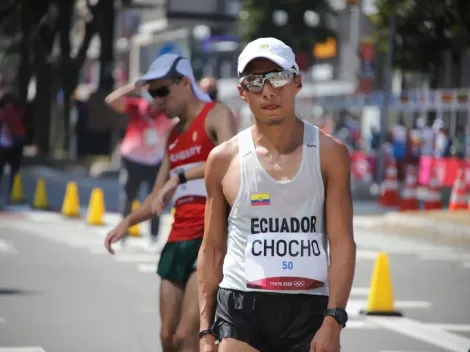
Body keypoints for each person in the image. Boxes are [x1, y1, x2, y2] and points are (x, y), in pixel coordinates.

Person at [197, 38, 357, 352]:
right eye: (255, 82)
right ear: (243, 92)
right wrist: (205, 331)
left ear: (297, 81)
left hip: (309, 306)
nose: (268, 91)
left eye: (278, 77)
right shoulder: (222, 159)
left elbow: (342, 242)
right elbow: (213, 248)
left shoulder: (330, 154)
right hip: (240, 304)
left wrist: (334, 319)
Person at [104, 53, 237, 352]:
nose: (157, 100)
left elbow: (233, 158)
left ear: (186, 82)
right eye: (152, 93)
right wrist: (127, 222)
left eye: (162, 91)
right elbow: (155, 195)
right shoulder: (173, 137)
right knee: (167, 337)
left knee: (187, 337)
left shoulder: (217, 115)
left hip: (211, 236)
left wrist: (180, 176)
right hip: (178, 238)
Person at [105, 81, 174, 250]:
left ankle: (153, 237)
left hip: (155, 161)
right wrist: (132, 88)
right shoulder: (137, 108)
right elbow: (110, 100)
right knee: (129, 197)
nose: (153, 103)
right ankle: (123, 235)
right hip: (133, 159)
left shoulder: (168, 113)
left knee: (156, 199)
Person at [0, 75, 27, 202]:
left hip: (10, 141)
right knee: (14, 170)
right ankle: (13, 193)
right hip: (15, 140)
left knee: (10, 169)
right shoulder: (18, 105)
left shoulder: (6, 105)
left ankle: (13, 193)